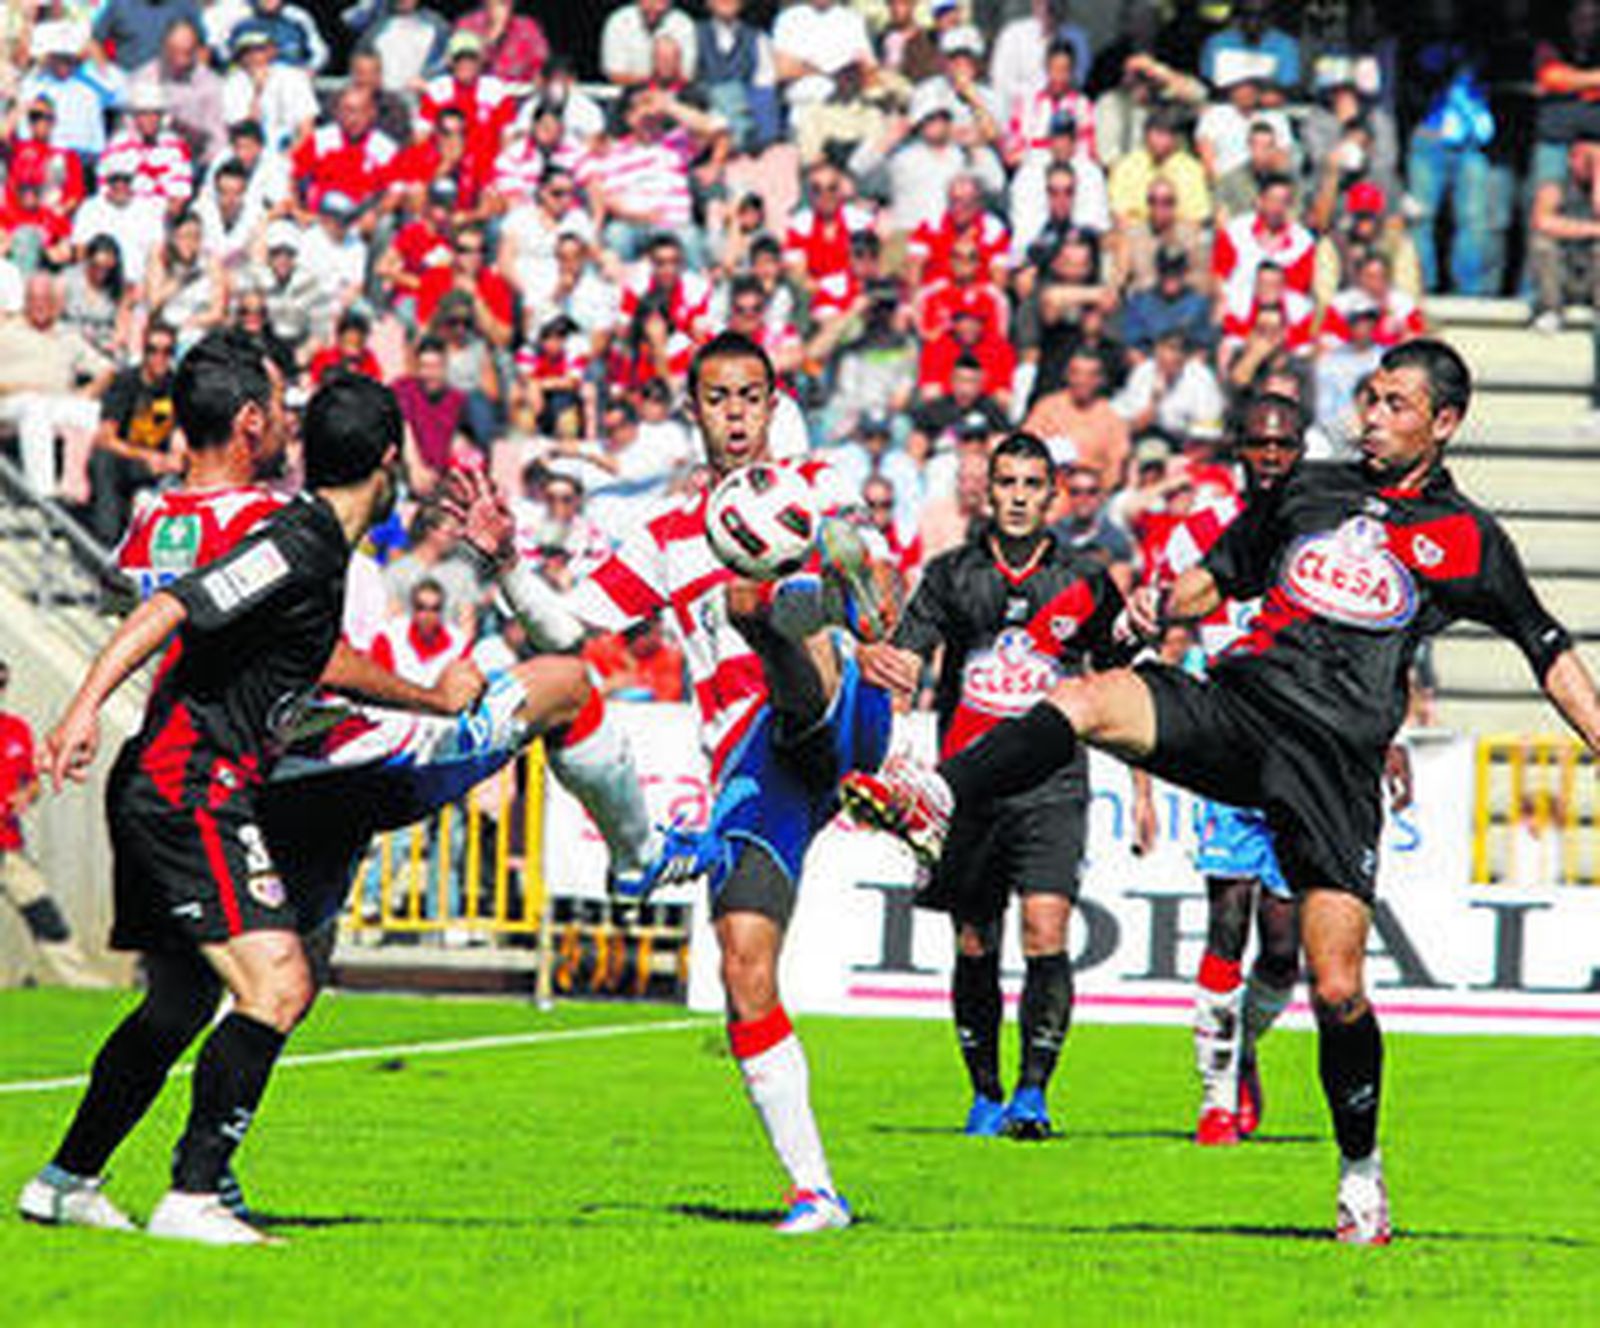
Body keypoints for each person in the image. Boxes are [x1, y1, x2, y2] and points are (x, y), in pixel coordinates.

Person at [841, 339, 1600, 1244]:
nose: (1372, 416)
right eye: (1369, 397)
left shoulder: (1471, 540)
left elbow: (1547, 648)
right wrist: (1160, 606)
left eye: (1396, 404)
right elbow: (1220, 575)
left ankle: (1360, 1174)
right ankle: (934, 793)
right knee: (1082, 698)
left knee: (1338, 987)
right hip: (1239, 712)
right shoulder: (1305, 492)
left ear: (1444, 424)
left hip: (1332, 765)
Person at [444, 332, 909, 1235]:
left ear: (773, 404)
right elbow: (565, 629)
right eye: (717, 399)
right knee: (743, 966)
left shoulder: (819, 487)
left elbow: (881, 588)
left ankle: (866, 751)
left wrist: (878, 610)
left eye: (749, 397)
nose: (735, 415)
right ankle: (816, 1190)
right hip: (749, 760)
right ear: (692, 410)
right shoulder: (661, 536)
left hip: (843, 709)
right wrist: (505, 565)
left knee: (763, 605)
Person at [18, 355, 406, 1245]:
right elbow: (176, 611)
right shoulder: (292, 536)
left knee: (178, 1004)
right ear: (389, 460)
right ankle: (194, 1194)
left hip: (163, 777)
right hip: (190, 787)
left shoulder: (187, 519)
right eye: (268, 404)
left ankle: (66, 1178)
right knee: (280, 984)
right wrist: (80, 705)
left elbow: (208, 618)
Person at [877, 433, 1131, 1138]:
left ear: (1052, 496)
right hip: (969, 788)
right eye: (1007, 483)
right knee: (974, 945)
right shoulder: (952, 575)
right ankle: (984, 1091)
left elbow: (1121, 682)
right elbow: (907, 661)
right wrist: (891, 742)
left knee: (1045, 930)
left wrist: (1143, 782)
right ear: (987, 493)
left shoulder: (1085, 578)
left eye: (1031, 485)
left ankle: (1032, 1094)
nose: (1018, 496)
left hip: (1053, 783)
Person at [1128, 392, 1308, 1146]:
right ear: (1238, 447)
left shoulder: (1322, 527)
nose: (1270, 456)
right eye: (1258, 443)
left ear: (1299, 450)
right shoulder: (1200, 531)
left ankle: (1242, 1052)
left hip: (1306, 752)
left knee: (1282, 945)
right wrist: (1141, 777)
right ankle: (1212, 1097)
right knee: (1227, 920)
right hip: (1228, 745)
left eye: (1283, 445)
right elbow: (1152, 632)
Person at [0, 659, 104, 988]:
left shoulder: (16, 730)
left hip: (9, 845)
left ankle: (82, 983)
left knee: (44, 913)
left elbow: (30, 782)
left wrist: (26, 795)